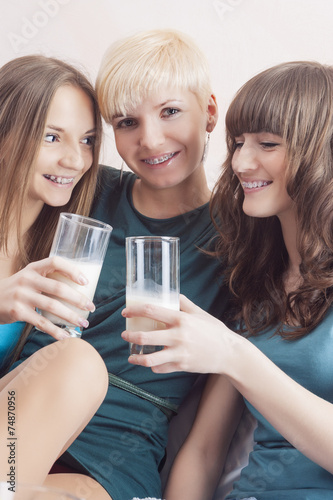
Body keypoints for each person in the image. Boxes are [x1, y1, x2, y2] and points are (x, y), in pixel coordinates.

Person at [14, 30, 229, 500]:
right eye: (127, 122)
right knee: (75, 361)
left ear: (210, 112)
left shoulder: (239, 246)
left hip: (117, 458)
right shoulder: (83, 187)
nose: (151, 140)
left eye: (170, 111)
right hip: (21, 415)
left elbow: (209, 441)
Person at [121, 61, 333, 499]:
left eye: (267, 144)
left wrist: (234, 354)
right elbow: (202, 453)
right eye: (237, 143)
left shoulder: (238, 346)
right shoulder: (258, 289)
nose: (240, 161)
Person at [0, 55, 108, 496]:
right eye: (51, 137)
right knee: (76, 361)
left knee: (85, 491)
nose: (75, 159)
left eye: (86, 140)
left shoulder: (52, 251)